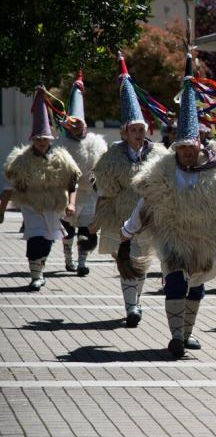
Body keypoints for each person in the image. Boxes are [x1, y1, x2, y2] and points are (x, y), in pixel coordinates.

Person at [121, 52, 216, 358]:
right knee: (175, 283)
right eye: (184, 150)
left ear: (199, 147)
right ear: (176, 148)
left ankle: (187, 333)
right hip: (173, 238)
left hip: (206, 240)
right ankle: (176, 336)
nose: (189, 154)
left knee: (197, 288)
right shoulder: (162, 171)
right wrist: (129, 230)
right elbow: (147, 201)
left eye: (192, 149)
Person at [90, 52, 167, 327]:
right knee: (126, 259)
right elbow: (105, 190)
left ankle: (136, 303)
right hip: (120, 214)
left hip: (149, 215)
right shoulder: (111, 156)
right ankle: (131, 307)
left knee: (142, 260)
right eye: (133, 129)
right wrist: (95, 221)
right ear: (124, 132)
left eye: (141, 128)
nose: (137, 133)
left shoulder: (159, 153)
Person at [0, 86, 81, 291]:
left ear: (50, 140)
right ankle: (36, 276)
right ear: (33, 140)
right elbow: (8, 188)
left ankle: (40, 269)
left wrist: (71, 204)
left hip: (54, 206)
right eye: (38, 139)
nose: (42, 143)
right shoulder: (20, 160)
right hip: (31, 207)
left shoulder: (62, 158)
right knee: (35, 239)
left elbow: (73, 181)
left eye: (45, 139)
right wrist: (1, 212)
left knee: (47, 241)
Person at [59, 71, 108, 276]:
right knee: (68, 231)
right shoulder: (61, 145)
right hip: (66, 194)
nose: (77, 127)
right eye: (74, 123)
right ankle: (69, 259)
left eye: (80, 124)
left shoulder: (96, 144)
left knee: (86, 231)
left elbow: (102, 169)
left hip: (89, 194)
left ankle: (81, 263)